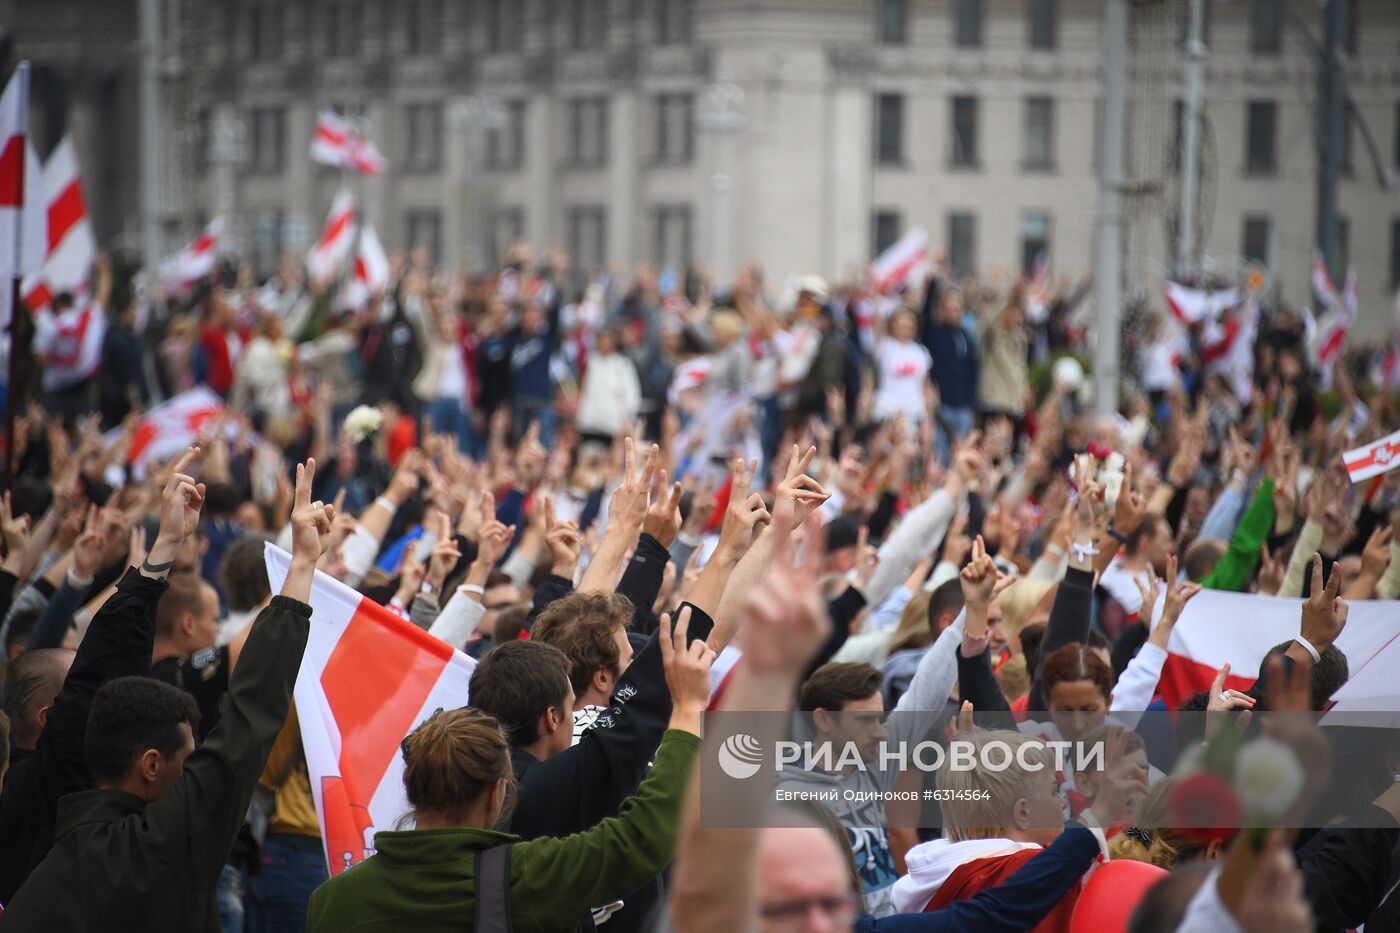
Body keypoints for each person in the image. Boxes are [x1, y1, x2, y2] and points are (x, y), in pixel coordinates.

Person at [0, 457, 334, 931]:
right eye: (191, 757)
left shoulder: (39, 883)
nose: (196, 767)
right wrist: (301, 567)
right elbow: (246, 720)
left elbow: (95, 677)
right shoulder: (164, 845)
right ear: (152, 764)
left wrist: (165, 547)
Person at [305, 610, 710, 932]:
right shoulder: (526, 879)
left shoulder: (333, 900)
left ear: (409, 782)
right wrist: (689, 710)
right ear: (499, 792)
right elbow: (640, 839)